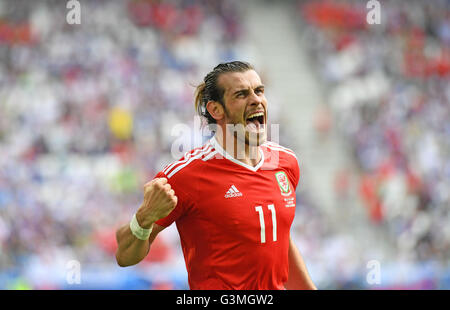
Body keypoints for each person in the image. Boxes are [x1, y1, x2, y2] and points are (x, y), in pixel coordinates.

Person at [115, 61, 317, 290]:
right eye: (242, 94)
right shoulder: (185, 176)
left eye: (259, 91)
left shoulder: (285, 163)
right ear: (215, 110)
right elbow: (125, 256)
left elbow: (278, 241)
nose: (256, 100)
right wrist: (144, 217)